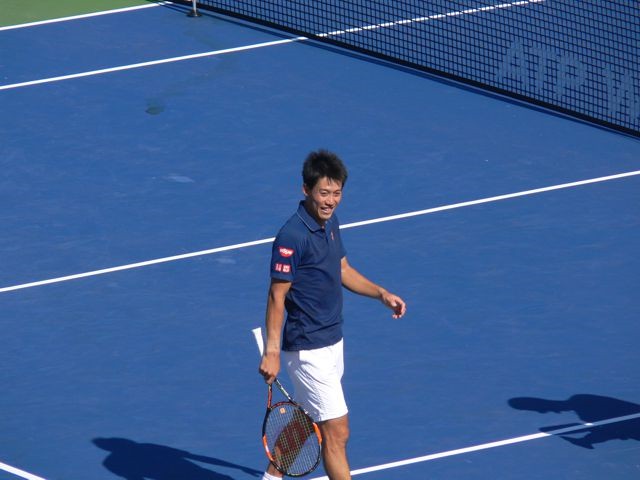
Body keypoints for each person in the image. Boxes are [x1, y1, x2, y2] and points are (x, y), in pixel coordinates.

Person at [258, 149, 406, 480]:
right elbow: (276, 296)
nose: (330, 201)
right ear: (306, 189)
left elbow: (342, 269)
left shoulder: (330, 222)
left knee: (305, 422)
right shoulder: (291, 237)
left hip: (332, 341)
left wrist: (381, 293)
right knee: (337, 433)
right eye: (324, 193)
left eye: (336, 193)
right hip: (308, 349)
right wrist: (271, 351)